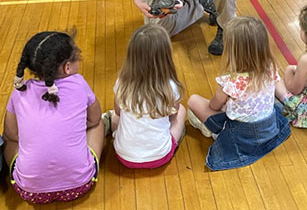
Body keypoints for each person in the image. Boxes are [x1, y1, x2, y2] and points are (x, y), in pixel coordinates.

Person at [2, 31, 104, 204]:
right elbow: (94, 119)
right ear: (67, 67)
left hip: (30, 192)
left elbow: (12, 135)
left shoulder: (19, 92)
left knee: (8, 140)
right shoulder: (79, 84)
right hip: (79, 185)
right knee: (99, 124)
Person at [187, 17, 291, 171]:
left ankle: (219, 133)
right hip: (268, 128)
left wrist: (223, 102)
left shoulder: (232, 81)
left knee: (193, 100)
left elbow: (213, 105)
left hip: (241, 136)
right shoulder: (270, 67)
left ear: (232, 51)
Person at [102, 24, 186, 168]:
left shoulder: (122, 82)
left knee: (116, 115)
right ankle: (176, 135)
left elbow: (118, 112)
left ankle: (109, 124)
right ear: (166, 56)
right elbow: (174, 113)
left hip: (124, 156)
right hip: (160, 156)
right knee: (182, 110)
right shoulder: (170, 86)